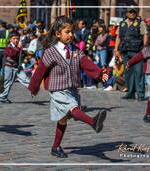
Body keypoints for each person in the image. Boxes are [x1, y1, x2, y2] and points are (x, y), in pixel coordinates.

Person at [28, 16, 109, 158]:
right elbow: (39, 72)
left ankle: (55, 147)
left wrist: (99, 74)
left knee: (63, 119)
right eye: (67, 32)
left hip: (71, 88)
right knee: (73, 108)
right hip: (57, 89)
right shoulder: (50, 52)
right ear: (58, 34)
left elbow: (86, 64)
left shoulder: (75, 51)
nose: (71, 35)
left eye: (72, 32)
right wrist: (34, 88)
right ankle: (93, 122)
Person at [114, 8, 148, 101]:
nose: (132, 13)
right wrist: (116, 49)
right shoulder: (122, 24)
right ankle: (130, 93)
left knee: (138, 73)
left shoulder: (140, 23)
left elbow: (145, 34)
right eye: (130, 12)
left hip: (137, 51)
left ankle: (140, 94)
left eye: (134, 12)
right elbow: (118, 37)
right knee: (128, 73)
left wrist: (144, 47)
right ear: (127, 13)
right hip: (125, 51)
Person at [0, 31, 30, 103]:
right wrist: (19, 49)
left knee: (25, 79)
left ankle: (33, 88)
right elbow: (12, 54)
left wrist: (23, 53)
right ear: (10, 39)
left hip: (18, 67)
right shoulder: (8, 47)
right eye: (14, 38)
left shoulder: (18, 47)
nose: (16, 40)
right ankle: (3, 97)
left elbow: (21, 55)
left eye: (17, 38)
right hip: (9, 67)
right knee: (8, 82)